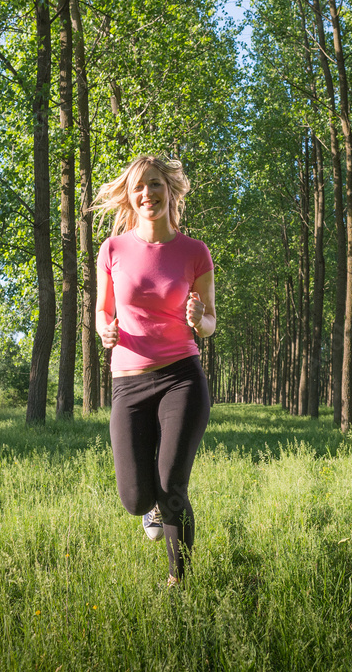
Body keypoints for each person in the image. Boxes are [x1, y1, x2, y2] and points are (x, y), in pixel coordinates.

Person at [94, 155, 216, 586]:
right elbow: (101, 312)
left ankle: (178, 581)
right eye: (139, 187)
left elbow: (209, 325)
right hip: (127, 382)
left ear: (170, 191)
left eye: (156, 184)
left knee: (172, 488)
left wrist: (198, 317)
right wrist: (105, 332)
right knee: (135, 497)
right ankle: (149, 508)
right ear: (129, 196)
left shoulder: (194, 252)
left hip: (181, 377)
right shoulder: (112, 249)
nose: (148, 193)